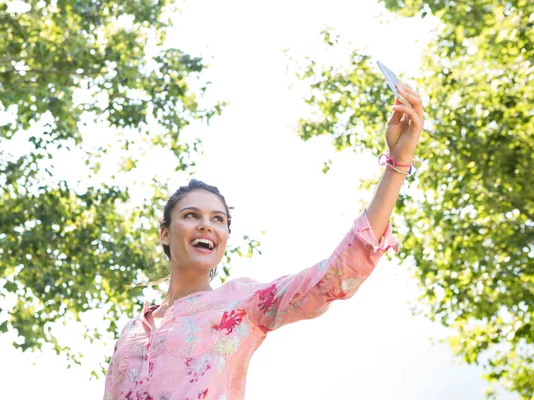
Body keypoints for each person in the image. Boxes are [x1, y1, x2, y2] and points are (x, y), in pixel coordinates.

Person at [103, 85, 424, 400]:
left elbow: (331, 277)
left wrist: (397, 164)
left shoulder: (242, 303)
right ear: (165, 233)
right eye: (191, 215)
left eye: (218, 219)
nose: (206, 225)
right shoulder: (130, 333)